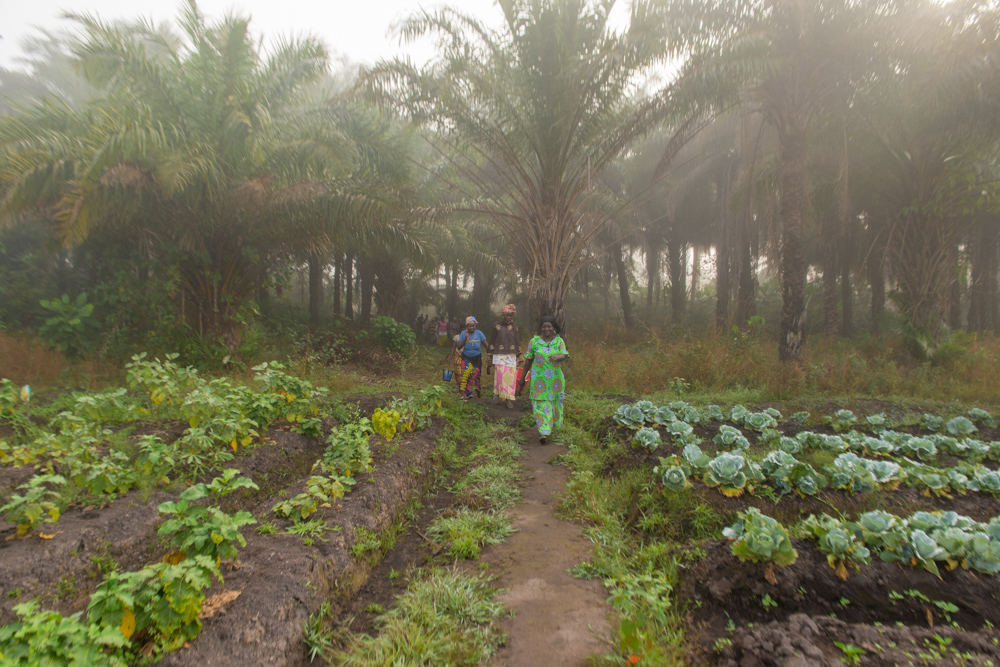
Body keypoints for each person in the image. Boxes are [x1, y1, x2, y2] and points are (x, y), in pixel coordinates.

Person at [516, 316, 568, 443]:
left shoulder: (559, 341)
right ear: (541, 328)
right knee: (540, 404)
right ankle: (543, 432)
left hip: (555, 380)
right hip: (539, 380)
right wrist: (523, 377)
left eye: (549, 326)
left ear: (553, 328)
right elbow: (529, 359)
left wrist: (557, 357)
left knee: (554, 403)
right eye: (544, 326)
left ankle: (551, 426)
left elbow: (564, 354)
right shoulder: (534, 342)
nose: (546, 329)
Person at [486, 304, 521, 409]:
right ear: (503, 315)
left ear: (512, 316)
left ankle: (507, 398)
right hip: (499, 355)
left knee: (510, 377)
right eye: (506, 315)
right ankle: (498, 394)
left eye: (510, 315)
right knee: (500, 375)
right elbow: (492, 340)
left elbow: (516, 340)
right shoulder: (497, 325)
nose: (508, 317)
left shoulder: (514, 326)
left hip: (511, 355)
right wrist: (489, 355)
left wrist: (519, 355)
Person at [453, 316, 487, 399]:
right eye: (470, 326)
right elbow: (459, 347)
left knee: (476, 375)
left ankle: (479, 397)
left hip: (477, 357)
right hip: (466, 357)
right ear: (467, 326)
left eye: (473, 325)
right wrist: (465, 339)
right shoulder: (463, 334)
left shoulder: (479, 333)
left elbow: (486, 344)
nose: (472, 327)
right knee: (465, 374)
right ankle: (462, 394)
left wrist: (490, 355)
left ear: (475, 326)